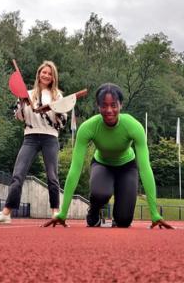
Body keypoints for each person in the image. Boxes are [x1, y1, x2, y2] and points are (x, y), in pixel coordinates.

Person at [43, 83, 173, 229]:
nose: (109, 110)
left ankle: (120, 215)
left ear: (121, 105)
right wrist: (62, 212)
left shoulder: (133, 126)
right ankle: (93, 212)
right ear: (98, 106)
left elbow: (145, 168)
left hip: (127, 167)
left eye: (113, 105)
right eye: (104, 106)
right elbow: (75, 168)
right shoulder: (88, 127)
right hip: (102, 164)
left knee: (123, 221)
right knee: (100, 193)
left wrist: (155, 213)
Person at [0, 61, 67, 223]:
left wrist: (53, 109)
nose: (46, 75)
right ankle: (6, 213)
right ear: (38, 74)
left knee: (52, 176)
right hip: (30, 136)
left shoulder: (58, 96)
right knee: (18, 174)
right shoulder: (27, 93)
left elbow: (63, 122)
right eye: (43, 72)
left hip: (50, 137)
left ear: (54, 77)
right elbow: (20, 117)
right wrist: (22, 104)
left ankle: (55, 213)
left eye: (49, 73)